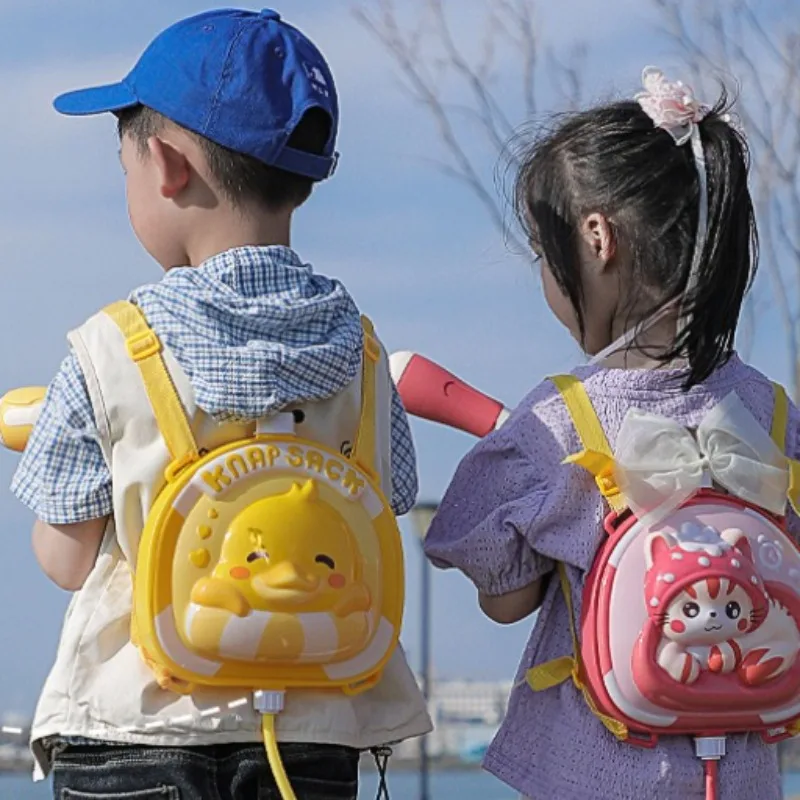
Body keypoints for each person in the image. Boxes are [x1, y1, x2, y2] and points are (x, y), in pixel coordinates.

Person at [11, 9, 431, 799]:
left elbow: (64, 560)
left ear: (166, 166)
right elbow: (389, 498)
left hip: (137, 728)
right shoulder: (365, 355)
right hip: (313, 734)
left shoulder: (109, 349)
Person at [423, 67, 794, 799]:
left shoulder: (559, 422)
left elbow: (503, 601)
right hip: (748, 771)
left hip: (597, 771)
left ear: (596, 238)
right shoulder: (771, 413)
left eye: (542, 253)